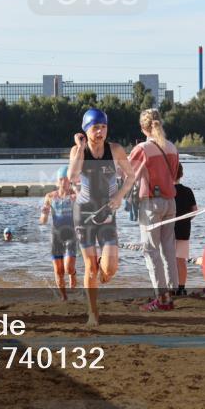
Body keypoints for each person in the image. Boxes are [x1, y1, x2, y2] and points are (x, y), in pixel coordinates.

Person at [69, 108, 138, 327]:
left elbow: (131, 176)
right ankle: (93, 312)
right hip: (84, 215)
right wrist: (80, 149)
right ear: (86, 129)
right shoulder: (78, 150)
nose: (100, 132)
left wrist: (119, 197)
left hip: (107, 214)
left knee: (110, 269)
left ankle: (100, 268)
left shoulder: (115, 150)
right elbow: (72, 176)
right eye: (95, 127)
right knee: (90, 266)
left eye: (104, 127)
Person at [128, 108, 180, 312]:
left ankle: (161, 298)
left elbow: (125, 173)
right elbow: (175, 175)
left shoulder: (142, 148)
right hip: (170, 201)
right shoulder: (172, 147)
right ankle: (171, 293)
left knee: (150, 250)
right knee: (168, 249)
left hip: (151, 202)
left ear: (143, 128)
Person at [40, 165, 79, 301]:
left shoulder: (75, 197)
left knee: (68, 268)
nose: (64, 182)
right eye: (61, 179)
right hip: (56, 236)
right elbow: (43, 221)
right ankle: (64, 296)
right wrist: (44, 213)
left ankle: (73, 274)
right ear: (58, 181)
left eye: (67, 179)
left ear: (70, 181)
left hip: (71, 236)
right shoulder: (50, 196)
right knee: (58, 271)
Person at [172, 163, 197, 298]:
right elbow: (194, 211)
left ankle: (171, 286)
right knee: (180, 260)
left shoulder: (167, 191)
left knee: (168, 260)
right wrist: (187, 221)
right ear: (181, 174)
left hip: (168, 230)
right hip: (184, 230)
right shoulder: (188, 191)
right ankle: (181, 288)